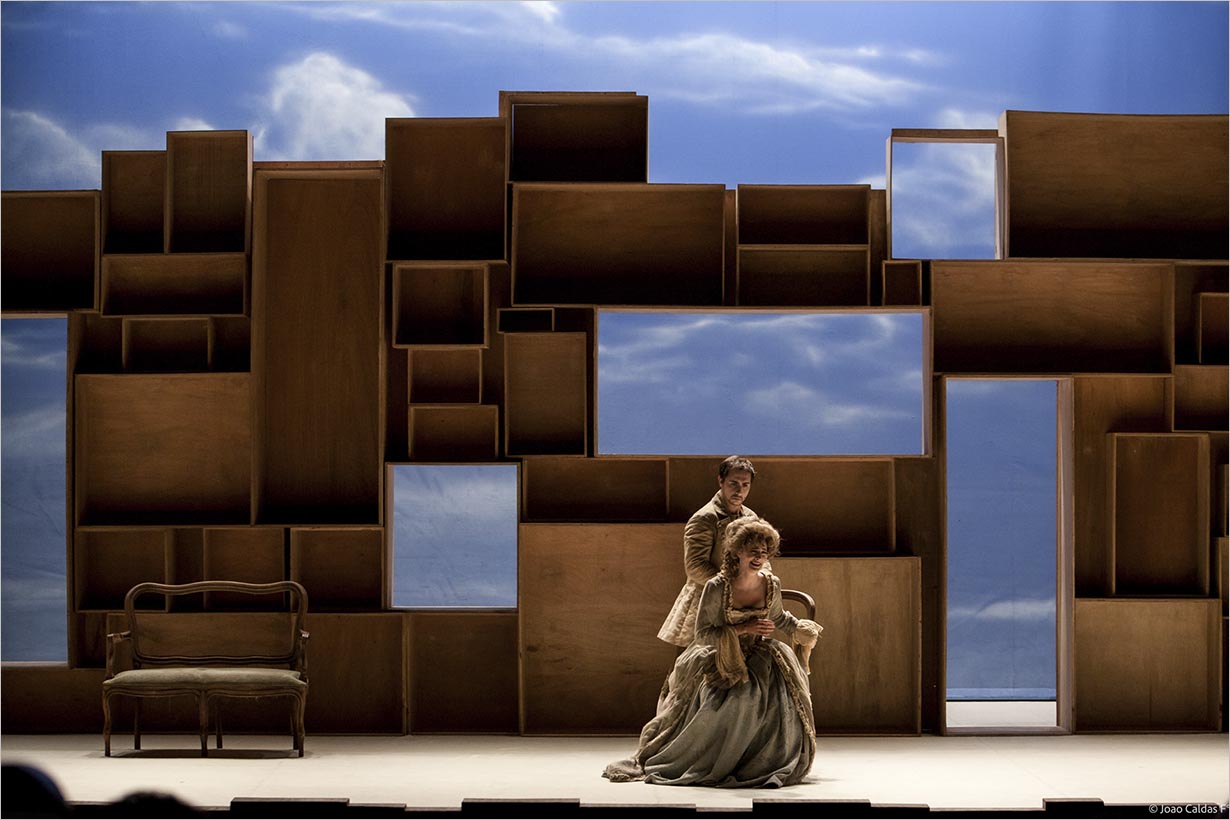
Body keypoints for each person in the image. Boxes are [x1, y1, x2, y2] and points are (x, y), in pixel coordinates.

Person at [604, 517, 821, 788]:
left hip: (760, 654)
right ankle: (720, 759)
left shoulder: (771, 583)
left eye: (764, 551)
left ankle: (762, 761)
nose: (758, 557)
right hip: (720, 656)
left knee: (779, 698)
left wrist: (799, 628)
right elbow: (703, 634)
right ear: (737, 551)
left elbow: (779, 617)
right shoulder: (718, 586)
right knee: (740, 700)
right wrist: (743, 628)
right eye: (752, 550)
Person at [658, 455, 765, 647]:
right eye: (733, 483)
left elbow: (760, 558)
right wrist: (730, 587)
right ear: (721, 481)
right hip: (706, 601)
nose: (739, 490)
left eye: (745, 485)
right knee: (697, 661)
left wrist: (761, 583)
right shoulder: (704, 518)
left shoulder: (750, 517)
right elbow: (695, 566)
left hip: (742, 605)